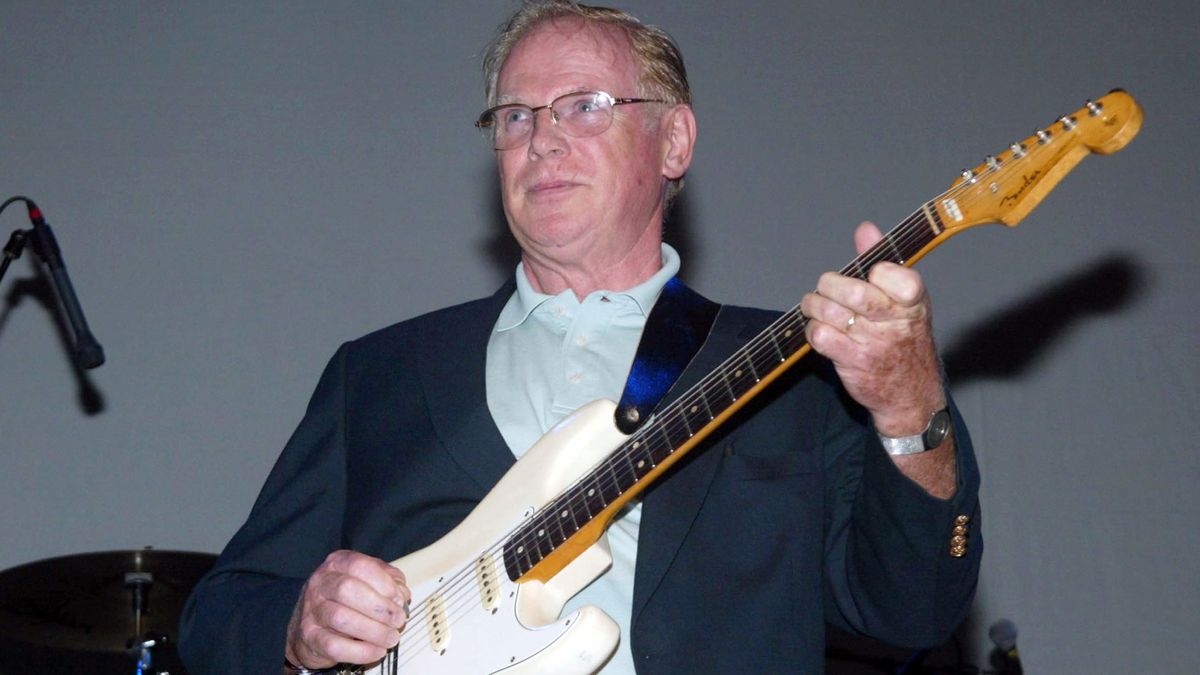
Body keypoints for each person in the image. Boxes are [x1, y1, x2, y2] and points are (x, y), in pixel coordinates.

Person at [179, 2, 980, 673]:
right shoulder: (379, 374)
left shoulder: (794, 367)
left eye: (585, 105)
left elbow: (911, 610)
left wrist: (913, 408)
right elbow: (217, 614)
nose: (542, 139)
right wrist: (297, 624)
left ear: (674, 141)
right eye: (516, 115)